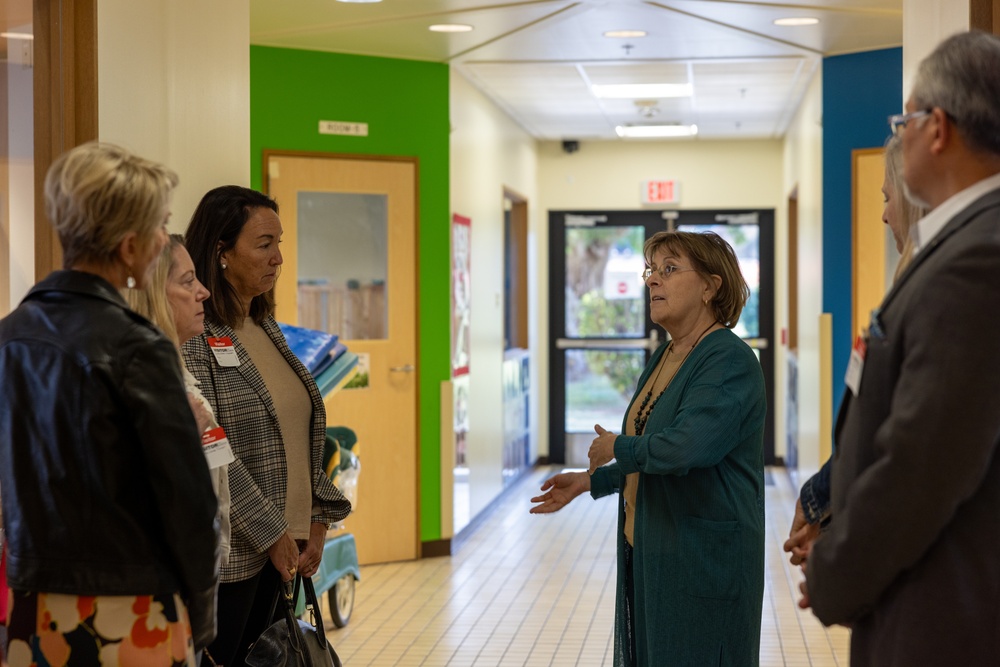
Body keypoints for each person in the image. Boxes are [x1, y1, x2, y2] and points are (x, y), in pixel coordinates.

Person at [804, 31, 1000, 664]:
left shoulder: (978, 260)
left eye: (906, 120)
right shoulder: (959, 243)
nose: (901, 136)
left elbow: (924, 464)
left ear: (937, 127)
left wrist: (834, 571)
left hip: (943, 613)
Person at [0, 142, 219, 666]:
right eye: (159, 226)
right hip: (129, 610)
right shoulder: (137, 347)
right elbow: (188, 503)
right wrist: (204, 620)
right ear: (129, 246)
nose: (164, 239)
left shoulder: (10, 336)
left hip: (34, 606)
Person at [530, 231, 766, 666]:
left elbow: (684, 449)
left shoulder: (729, 360)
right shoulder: (665, 355)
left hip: (702, 560)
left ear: (711, 286)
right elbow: (653, 451)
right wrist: (589, 481)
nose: (653, 281)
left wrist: (616, 446)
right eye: (651, 270)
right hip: (651, 550)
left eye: (669, 269)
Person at [182, 185, 352, 667]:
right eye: (263, 244)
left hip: (288, 554)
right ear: (221, 252)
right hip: (236, 558)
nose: (278, 258)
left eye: (280, 243)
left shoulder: (266, 327)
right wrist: (271, 531)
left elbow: (298, 438)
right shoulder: (197, 338)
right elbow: (212, 451)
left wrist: (318, 518)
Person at [784, 133, 928, 569]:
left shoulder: (934, 293)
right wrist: (823, 506)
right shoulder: (906, 287)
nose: (884, 216)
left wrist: (838, 543)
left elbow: (901, 438)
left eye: (888, 198)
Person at [127, 235, 232, 572]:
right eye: (188, 282)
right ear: (154, 294)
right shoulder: (140, 385)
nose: (203, 292)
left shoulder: (179, 377)